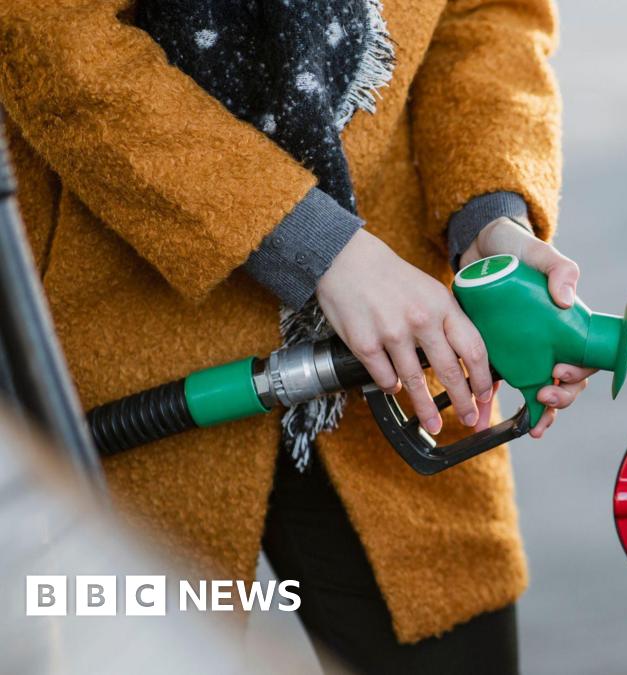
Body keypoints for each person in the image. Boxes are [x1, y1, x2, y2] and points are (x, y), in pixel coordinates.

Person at [0, 0, 585, 672]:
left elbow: (485, 17)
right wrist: (319, 249)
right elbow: (51, 40)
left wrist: (491, 215)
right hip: (124, 329)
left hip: (394, 340)